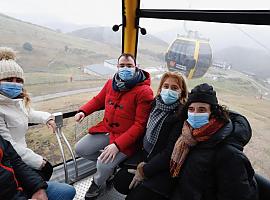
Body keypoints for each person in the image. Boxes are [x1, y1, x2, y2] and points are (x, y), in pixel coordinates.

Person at [74, 53, 154, 199]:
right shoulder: (111, 83)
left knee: (103, 164)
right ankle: (109, 169)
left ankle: (98, 182)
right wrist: (83, 111)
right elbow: (98, 100)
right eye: (122, 66)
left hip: (127, 138)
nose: (125, 69)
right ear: (117, 67)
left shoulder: (144, 91)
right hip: (107, 130)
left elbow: (140, 125)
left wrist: (117, 146)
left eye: (129, 66)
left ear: (136, 67)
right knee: (80, 149)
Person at [169, 83, 258, 200]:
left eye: (202, 110)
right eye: (191, 109)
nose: (195, 114)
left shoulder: (228, 153)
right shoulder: (188, 138)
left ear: (213, 113)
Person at [113, 71, 188, 200]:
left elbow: (169, 153)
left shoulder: (180, 117)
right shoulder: (155, 104)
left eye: (174, 88)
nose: (169, 90)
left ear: (181, 92)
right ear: (160, 88)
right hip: (145, 154)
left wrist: (144, 171)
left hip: (162, 166)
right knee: (119, 182)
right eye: (166, 86)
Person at [0, 47, 56, 181]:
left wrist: (47, 118)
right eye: (8, 79)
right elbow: (9, 146)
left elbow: (28, 113)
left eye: (18, 80)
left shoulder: (14, 101)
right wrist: (38, 162)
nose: (14, 84)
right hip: (11, 162)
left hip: (22, 155)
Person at [0, 135, 76, 200]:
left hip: (18, 185)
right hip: (10, 194)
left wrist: (38, 188)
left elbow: (16, 161)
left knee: (67, 191)